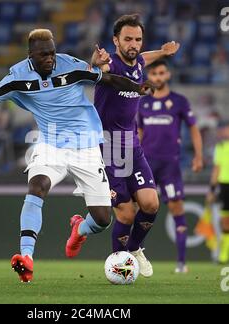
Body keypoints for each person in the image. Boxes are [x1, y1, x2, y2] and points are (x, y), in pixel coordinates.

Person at [0, 29, 154, 283]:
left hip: (87, 146)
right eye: (43, 54)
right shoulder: (17, 76)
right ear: (31, 55)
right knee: (37, 186)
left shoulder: (70, 66)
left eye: (52, 53)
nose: (50, 59)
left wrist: (137, 87)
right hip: (50, 143)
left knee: (102, 219)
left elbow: (108, 80)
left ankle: (79, 228)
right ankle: (26, 258)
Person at [72, 14, 180, 277]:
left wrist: (163, 52)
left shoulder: (138, 61)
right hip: (107, 148)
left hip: (131, 145)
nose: (134, 44)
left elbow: (144, 58)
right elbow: (94, 75)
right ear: (115, 41)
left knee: (151, 204)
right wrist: (94, 64)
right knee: (126, 213)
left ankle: (134, 249)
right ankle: (118, 265)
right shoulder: (110, 65)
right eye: (128, 39)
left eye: (138, 39)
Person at [138, 60, 203, 273]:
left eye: (161, 73)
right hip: (146, 164)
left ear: (168, 75)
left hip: (170, 165)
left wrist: (198, 157)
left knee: (176, 209)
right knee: (136, 208)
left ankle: (181, 263)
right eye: (154, 73)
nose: (157, 76)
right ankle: (132, 252)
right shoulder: (142, 103)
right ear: (150, 76)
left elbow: (194, 129)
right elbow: (138, 133)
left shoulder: (179, 101)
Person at [206, 120, 229, 264]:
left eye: (224, 129)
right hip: (225, 185)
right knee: (225, 221)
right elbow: (216, 169)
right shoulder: (220, 147)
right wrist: (212, 190)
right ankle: (224, 254)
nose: (222, 132)